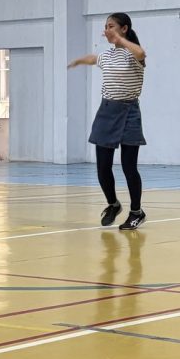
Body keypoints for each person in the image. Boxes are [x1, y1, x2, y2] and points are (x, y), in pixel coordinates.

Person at [68, 12, 147, 230]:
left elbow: (141, 53)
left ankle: (136, 212)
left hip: (129, 112)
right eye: (105, 27)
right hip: (106, 112)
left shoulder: (133, 54)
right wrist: (78, 61)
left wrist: (120, 40)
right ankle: (113, 204)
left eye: (111, 26)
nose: (106, 30)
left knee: (129, 167)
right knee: (103, 167)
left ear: (124, 28)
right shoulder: (107, 55)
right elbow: (94, 58)